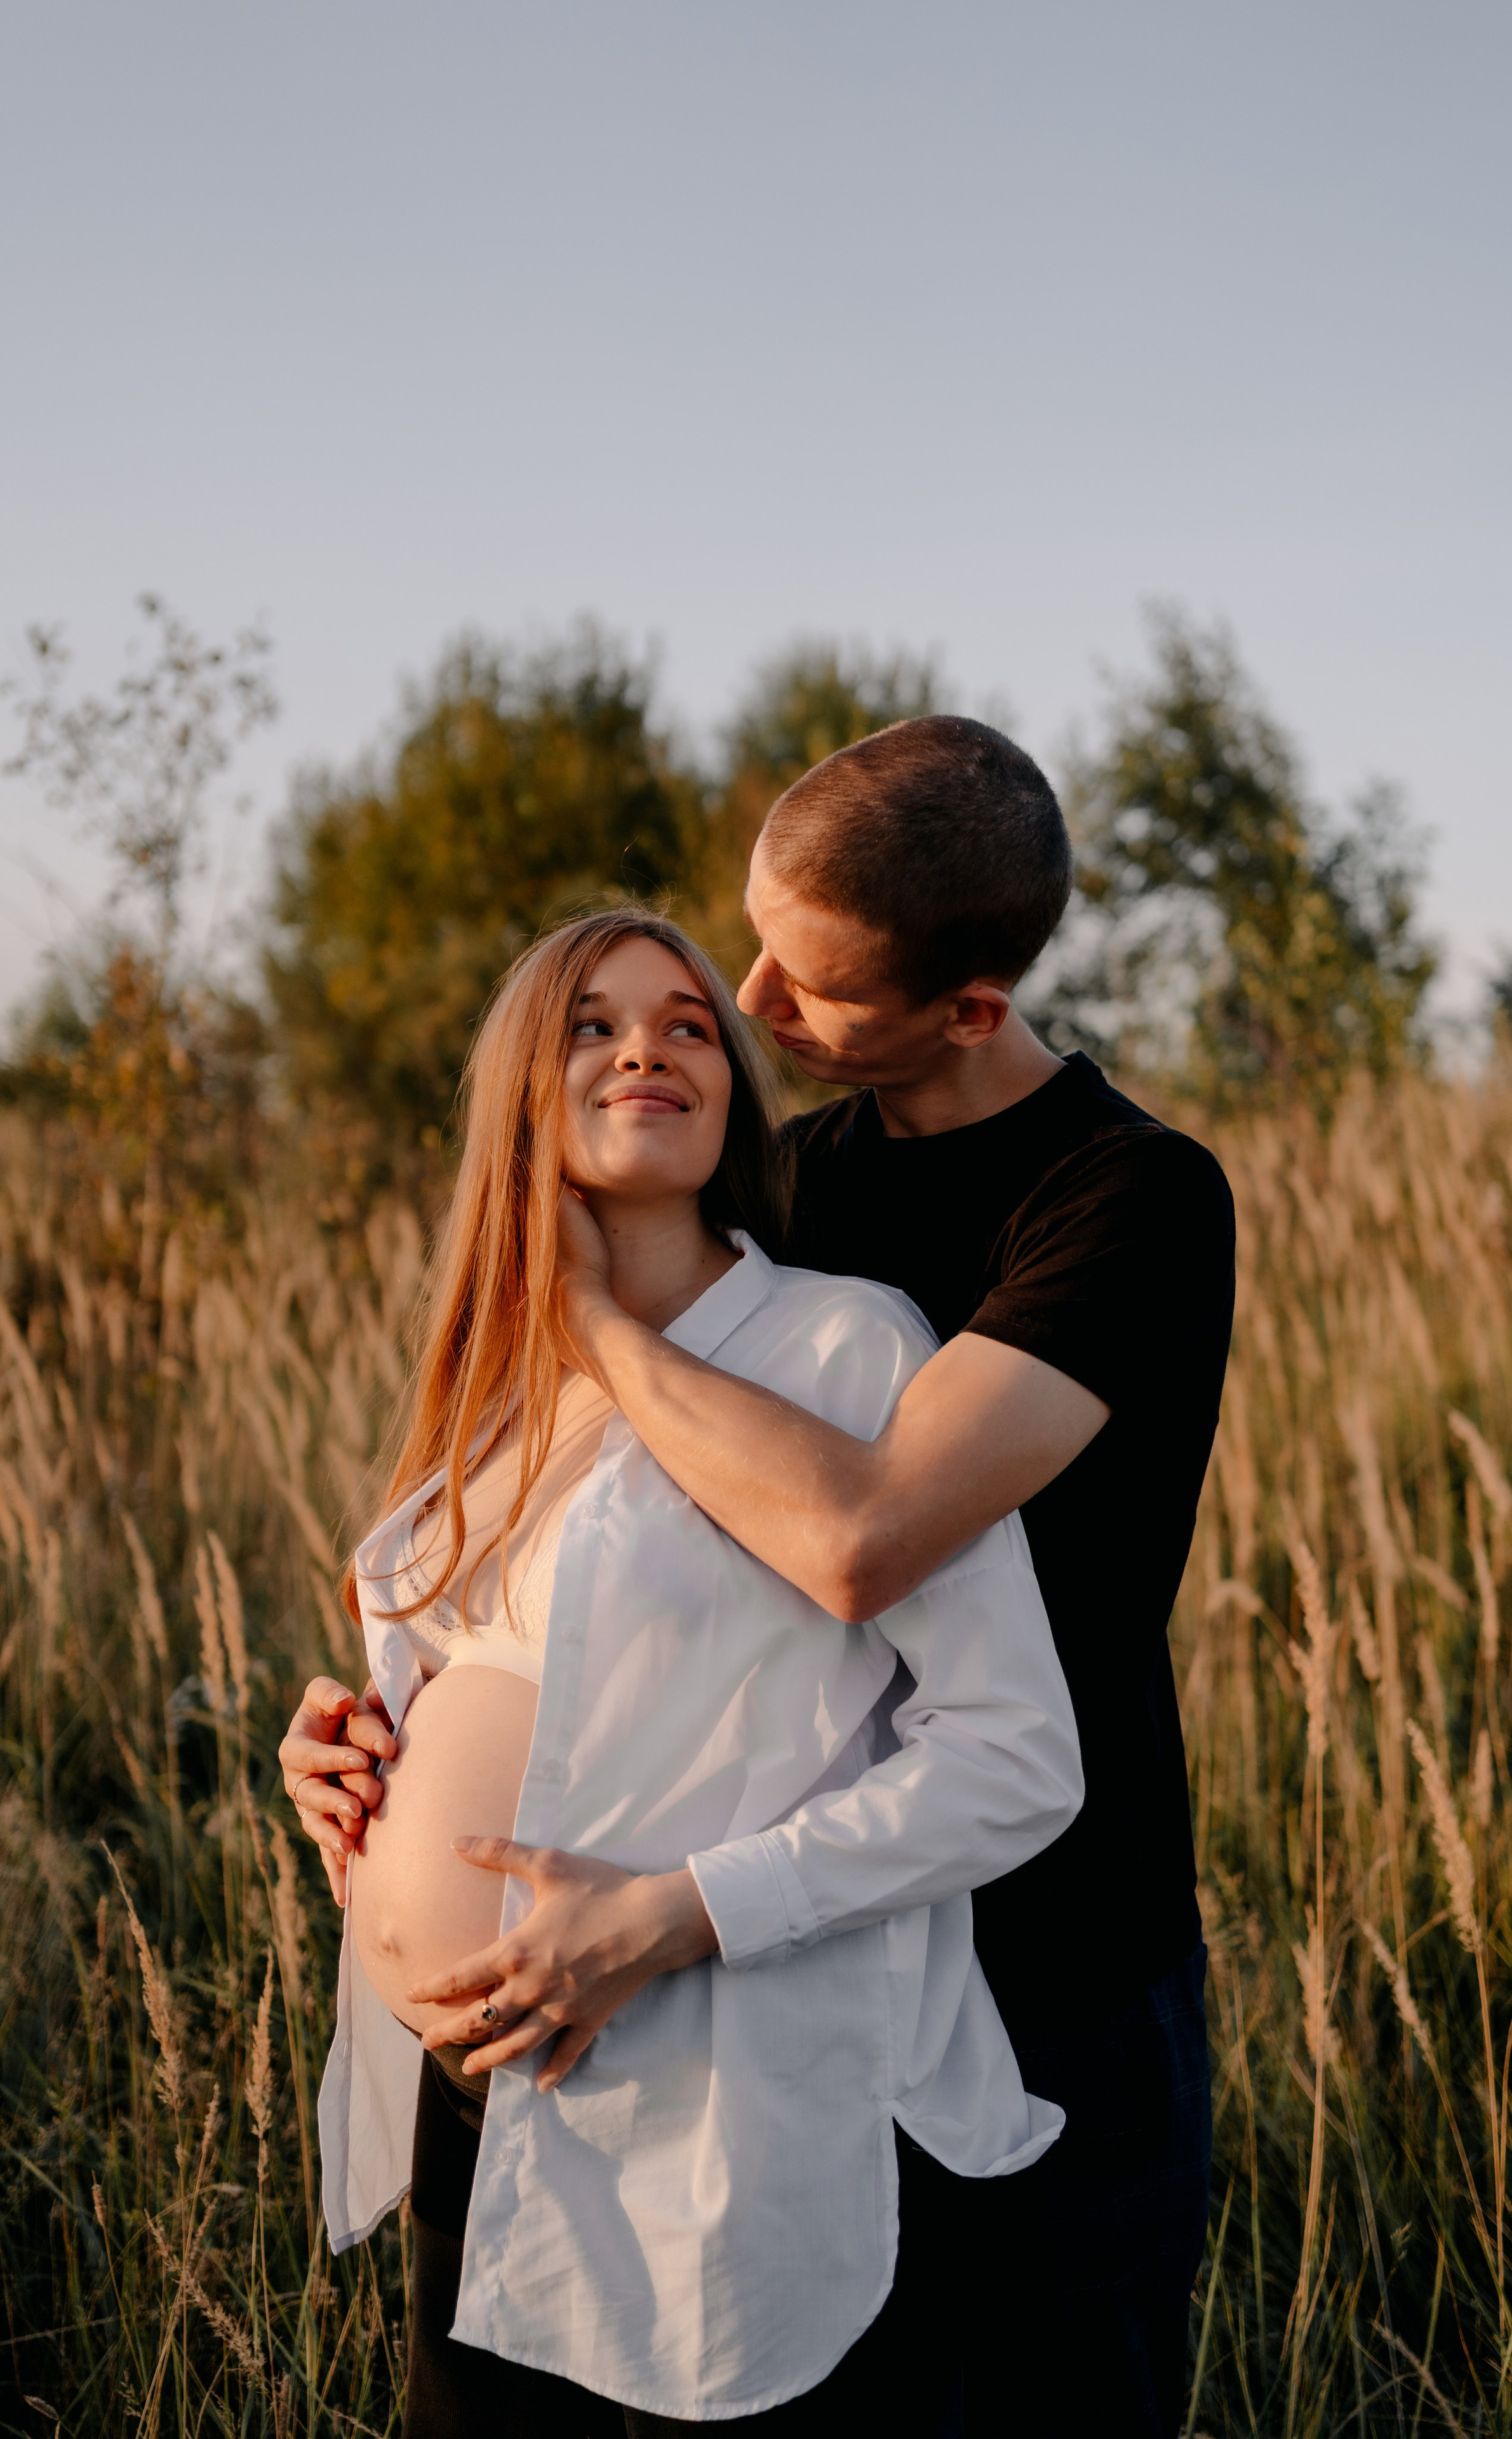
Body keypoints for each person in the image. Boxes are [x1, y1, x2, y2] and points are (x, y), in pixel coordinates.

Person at [288, 711, 1236, 2433]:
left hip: (1043, 1961)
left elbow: (858, 1538)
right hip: (709, 2003)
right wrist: (380, 1748)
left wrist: (589, 1320)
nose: (752, 1008)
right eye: (752, 951)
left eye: (805, 990)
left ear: (970, 1009)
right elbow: (613, 1598)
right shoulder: (793, 1184)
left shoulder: (1122, 1201)